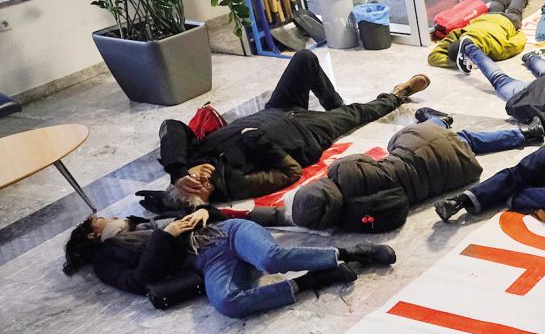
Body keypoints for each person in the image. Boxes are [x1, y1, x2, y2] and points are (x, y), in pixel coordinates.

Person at [157, 51, 426, 204]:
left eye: (193, 180)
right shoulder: (235, 184)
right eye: (204, 187)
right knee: (357, 113)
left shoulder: (191, 155)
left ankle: (335, 106)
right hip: (306, 132)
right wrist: (258, 143)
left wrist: (177, 169)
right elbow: (290, 172)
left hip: (277, 109)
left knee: (304, 58)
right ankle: (397, 94)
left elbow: (171, 126)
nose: (203, 178)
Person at [63, 208, 393, 319]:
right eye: (101, 219)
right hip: (207, 262)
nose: (112, 217)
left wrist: (203, 211)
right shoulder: (106, 262)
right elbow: (139, 281)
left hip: (228, 233)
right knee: (226, 303)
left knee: (271, 258)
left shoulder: (140, 222)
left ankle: (353, 252)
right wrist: (166, 236)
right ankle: (317, 279)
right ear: (93, 235)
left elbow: (207, 212)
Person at [283, 121, 482, 231]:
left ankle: (506, 136)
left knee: (465, 142)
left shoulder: (354, 218)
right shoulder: (341, 168)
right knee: (417, 136)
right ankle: (438, 121)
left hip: (454, 170)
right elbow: (365, 159)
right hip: (419, 143)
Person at [427, 0, 527, 69]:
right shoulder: (462, 33)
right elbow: (446, 43)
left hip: (507, 21)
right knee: (494, 11)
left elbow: (518, 42)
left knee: (514, 11)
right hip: (484, 19)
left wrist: (518, 32)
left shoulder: (496, 50)